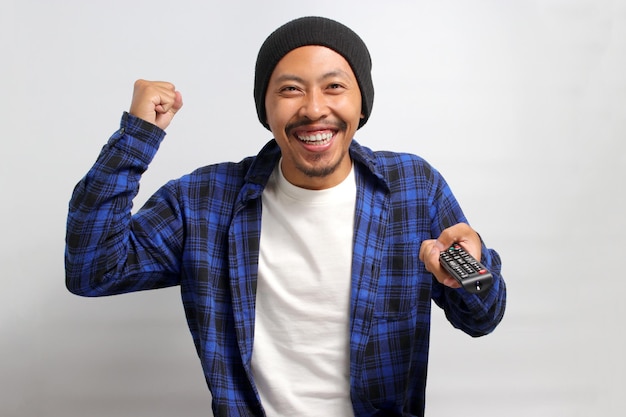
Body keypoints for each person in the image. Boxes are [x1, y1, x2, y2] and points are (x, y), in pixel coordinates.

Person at [65, 16, 506, 417]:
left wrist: (472, 272)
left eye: (334, 87)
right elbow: (92, 270)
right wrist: (138, 137)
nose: (314, 108)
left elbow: (482, 318)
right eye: (291, 89)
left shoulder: (414, 188)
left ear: (362, 105)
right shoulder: (202, 201)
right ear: (266, 110)